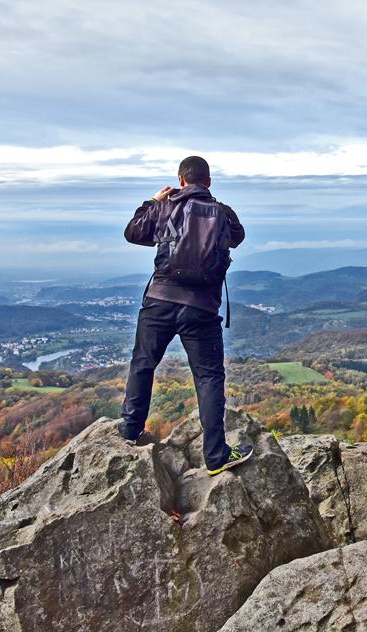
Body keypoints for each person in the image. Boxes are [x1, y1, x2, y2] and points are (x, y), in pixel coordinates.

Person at [118, 155, 254, 476]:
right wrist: (214, 206)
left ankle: (129, 428)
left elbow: (132, 232)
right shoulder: (221, 213)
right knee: (208, 377)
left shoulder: (164, 207)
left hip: (160, 300)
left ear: (180, 181)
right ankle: (216, 456)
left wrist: (153, 200)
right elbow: (239, 236)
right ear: (208, 182)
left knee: (143, 363)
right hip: (202, 308)